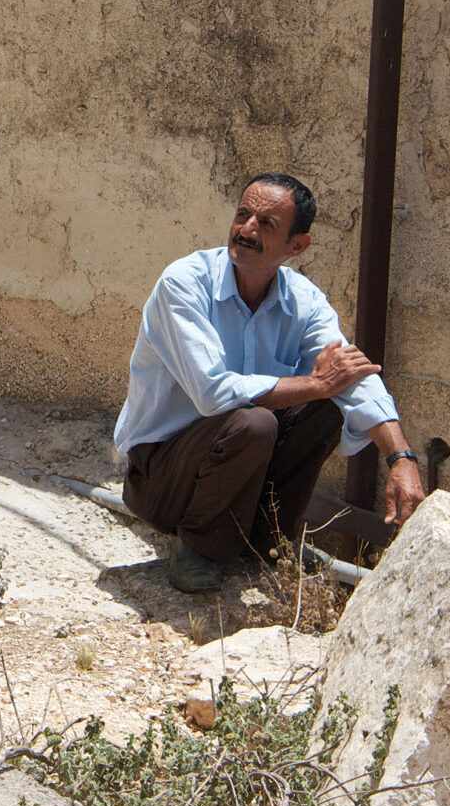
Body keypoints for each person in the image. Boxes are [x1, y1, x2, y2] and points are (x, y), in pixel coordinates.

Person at [114, 172, 426, 592]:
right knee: (256, 421)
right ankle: (198, 547)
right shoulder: (184, 284)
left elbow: (351, 376)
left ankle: (271, 540)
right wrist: (316, 384)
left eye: (265, 224)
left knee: (326, 406)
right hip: (161, 478)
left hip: (236, 463)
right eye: (243, 215)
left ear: (297, 246)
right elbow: (213, 394)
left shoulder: (303, 300)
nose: (246, 230)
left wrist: (400, 458)